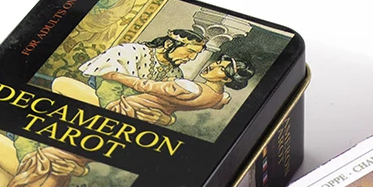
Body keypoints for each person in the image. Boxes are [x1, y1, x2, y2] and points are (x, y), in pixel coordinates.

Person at [52, 29, 207, 112]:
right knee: (61, 83)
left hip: (136, 112)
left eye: (196, 54)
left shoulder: (176, 74)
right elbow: (107, 91)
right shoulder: (130, 52)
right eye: (190, 51)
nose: (192, 58)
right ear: (168, 44)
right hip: (106, 104)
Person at [90, 54, 254, 127]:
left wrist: (114, 75)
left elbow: (144, 85)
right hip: (148, 116)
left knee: (71, 84)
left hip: (126, 108)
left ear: (227, 79)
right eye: (218, 63)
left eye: (221, 69)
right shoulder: (218, 97)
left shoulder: (190, 87)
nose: (212, 66)